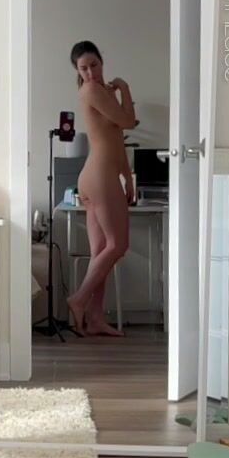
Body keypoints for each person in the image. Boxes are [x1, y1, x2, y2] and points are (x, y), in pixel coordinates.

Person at [65, 40, 138, 337]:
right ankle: (79, 299)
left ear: (101, 61)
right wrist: (125, 88)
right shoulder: (93, 91)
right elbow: (129, 121)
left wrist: (128, 177)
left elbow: (115, 139)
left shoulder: (102, 91)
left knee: (100, 251)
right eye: (83, 68)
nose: (90, 73)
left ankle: (95, 318)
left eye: (94, 65)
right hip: (100, 177)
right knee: (118, 245)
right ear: (77, 71)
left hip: (97, 176)